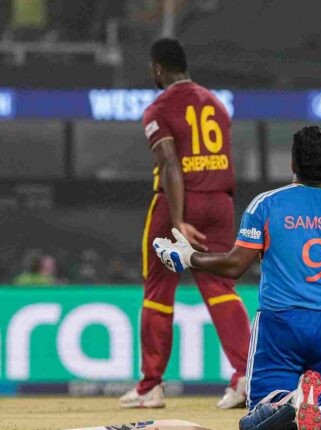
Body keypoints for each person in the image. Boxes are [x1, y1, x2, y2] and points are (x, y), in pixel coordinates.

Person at [152, 126, 321, 430]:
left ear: (293, 163)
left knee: (257, 417)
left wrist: (188, 257)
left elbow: (235, 265)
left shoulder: (266, 204)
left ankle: (291, 400)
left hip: (279, 326)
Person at [119, 38, 251, 410]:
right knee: (220, 287)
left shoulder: (159, 108)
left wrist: (177, 218)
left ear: (158, 68)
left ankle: (150, 386)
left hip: (179, 201)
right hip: (220, 202)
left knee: (158, 289)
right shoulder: (217, 103)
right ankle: (246, 376)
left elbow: (170, 163)